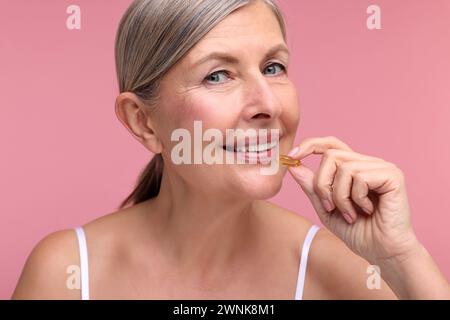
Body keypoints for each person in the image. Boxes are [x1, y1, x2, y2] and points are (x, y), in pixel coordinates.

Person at [12, 0, 449, 299]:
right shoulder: (66, 273)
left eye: (273, 67)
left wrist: (400, 258)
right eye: (218, 75)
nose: (268, 105)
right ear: (143, 121)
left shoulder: (345, 270)